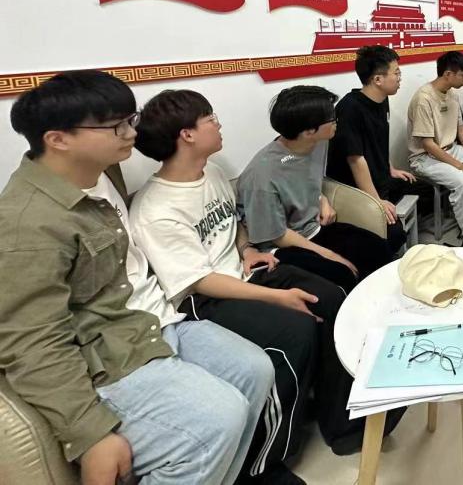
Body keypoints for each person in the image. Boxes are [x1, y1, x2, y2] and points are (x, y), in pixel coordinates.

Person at [0, 71, 266, 485]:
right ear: (58, 139)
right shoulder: (27, 224)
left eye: (131, 120)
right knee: (218, 418)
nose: (131, 134)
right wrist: (90, 432)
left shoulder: (104, 170)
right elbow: (30, 341)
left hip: (156, 318)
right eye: (117, 127)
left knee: (255, 369)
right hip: (110, 352)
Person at [132, 89, 401, 461]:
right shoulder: (155, 209)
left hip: (248, 270)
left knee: (332, 297)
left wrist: (246, 249)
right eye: (210, 118)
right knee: (300, 325)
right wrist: (279, 296)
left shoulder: (211, 172)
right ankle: (274, 456)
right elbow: (198, 281)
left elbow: (235, 223)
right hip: (207, 298)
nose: (219, 124)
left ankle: (344, 417)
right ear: (187, 135)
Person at [238, 85, 392, 289]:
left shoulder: (317, 142)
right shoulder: (262, 176)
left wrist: (322, 199)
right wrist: (330, 255)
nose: (337, 121)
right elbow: (277, 235)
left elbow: (307, 179)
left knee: (380, 250)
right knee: (343, 274)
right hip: (281, 244)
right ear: (309, 130)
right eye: (333, 118)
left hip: (313, 228)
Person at [325, 45, 433, 255]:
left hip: (380, 176)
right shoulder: (350, 108)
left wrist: (390, 168)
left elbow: (379, 141)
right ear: (377, 79)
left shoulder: (382, 99)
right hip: (356, 187)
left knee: (426, 190)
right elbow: (356, 160)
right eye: (396, 73)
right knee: (394, 234)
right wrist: (376, 202)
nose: (400, 78)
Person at [407, 52, 463, 246]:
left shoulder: (452, 94)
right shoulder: (423, 98)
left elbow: (461, 130)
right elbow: (428, 144)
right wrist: (461, 167)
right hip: (424, 158)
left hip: (449, 149)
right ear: (448, 74)